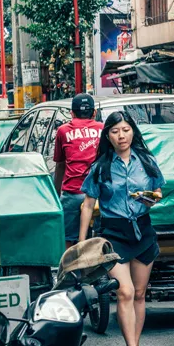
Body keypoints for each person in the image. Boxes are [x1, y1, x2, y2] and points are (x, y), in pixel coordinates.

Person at [78, 111, 165, 346]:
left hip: (143, 231)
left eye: (125, 130)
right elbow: (87, 204)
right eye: (115, 131)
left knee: (139, 293)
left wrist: (149, 197)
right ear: (108, 135)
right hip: (114, 234)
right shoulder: (101, 166)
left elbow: (158, 191)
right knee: (124, 291)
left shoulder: (146, 161)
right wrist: (83, 244)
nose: (121, 135)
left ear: (133, 132)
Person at [53, 94, 104, 247]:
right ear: (94, 113)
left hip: (73, 193)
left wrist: (57, 195)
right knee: (100, 240)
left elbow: (60, 165)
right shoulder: (103, 129)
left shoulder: (63, 131)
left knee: (68, 240)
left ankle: (70, 270)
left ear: (72, 113)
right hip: (99, 195)